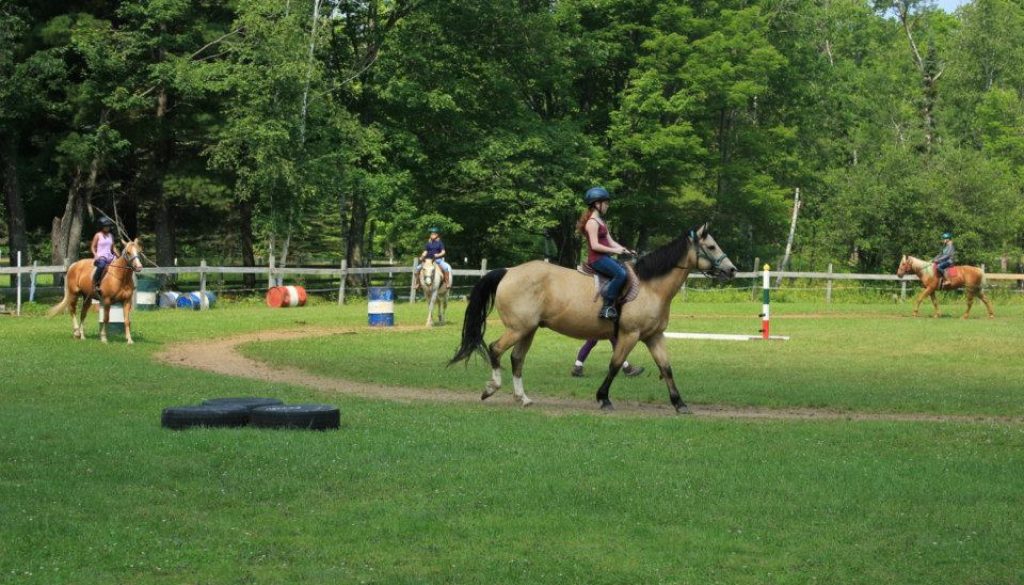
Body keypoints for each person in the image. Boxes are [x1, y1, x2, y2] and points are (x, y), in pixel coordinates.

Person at [578, 186, 633, 319]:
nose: (607, 206)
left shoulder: (601, 221)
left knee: (626, 269)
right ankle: (607, 307)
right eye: (606, 203)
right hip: (597, 259)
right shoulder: (592, 223)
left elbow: (611, 241)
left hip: (604, 257)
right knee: (621, 274)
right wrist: (615, 250)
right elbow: (595, 245)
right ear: (597, 204)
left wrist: (625, 250)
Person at [571, 338, 644, 377]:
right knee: (614, 341)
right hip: (603, 317)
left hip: (599, 316)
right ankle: (627, 367)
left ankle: (577, 367)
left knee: (592, 340)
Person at [91, 217, 120, 294]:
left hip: (110, 256)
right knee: (102, 265)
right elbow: (93, 247)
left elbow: (113, 247)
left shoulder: (111, 235)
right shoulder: (98, 235)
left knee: (121, 266)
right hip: (101, 256)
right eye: (105, 226)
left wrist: (119, 256)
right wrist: (95, 255)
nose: (107, 228)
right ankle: (95, 283)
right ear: (101, 227)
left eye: (108, 226)